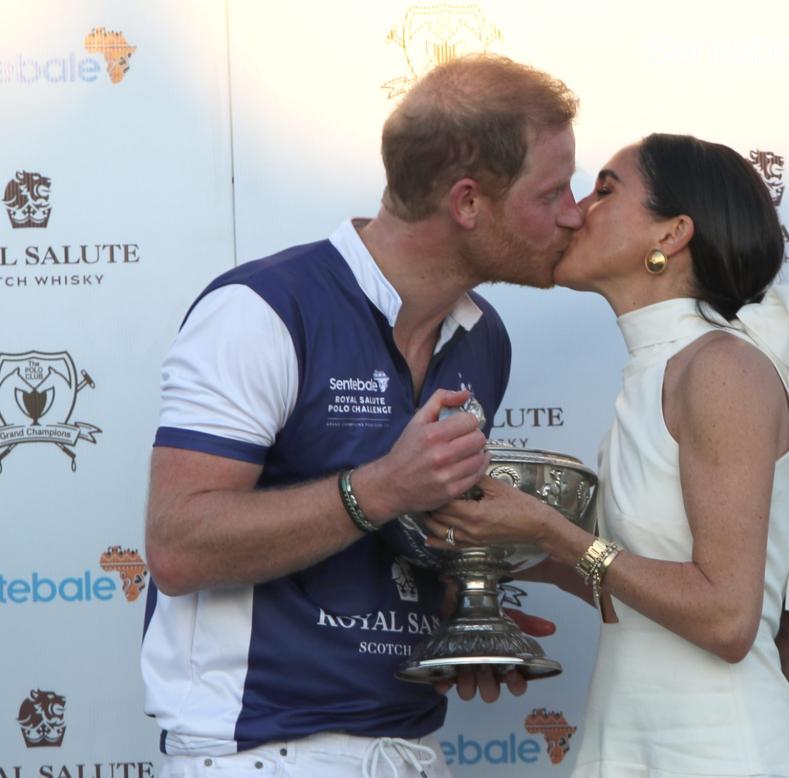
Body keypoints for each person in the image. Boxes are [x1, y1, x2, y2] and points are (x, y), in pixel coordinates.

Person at [140, 54, 582, 777]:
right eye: (553, 191)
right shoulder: (264, 310)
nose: (573, 213)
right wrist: (378, 487)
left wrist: (466, 619)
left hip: (408, 750)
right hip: (263, 755)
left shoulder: (483, 336)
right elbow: (178, 546)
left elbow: (400, 548)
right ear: (467, 203)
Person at [427, 132, 789, 776]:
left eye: (605, 189)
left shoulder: (720, 366)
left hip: (718, 751)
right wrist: (495, 550)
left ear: (671, 235)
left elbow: (726, 617)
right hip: (635, 741)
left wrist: (552, 533)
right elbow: (637, 595)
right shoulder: (660, 370)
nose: (576, 209)